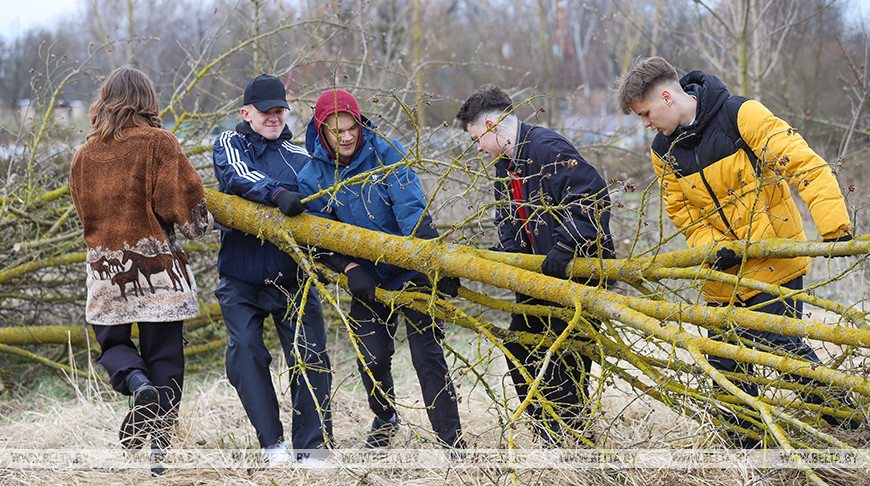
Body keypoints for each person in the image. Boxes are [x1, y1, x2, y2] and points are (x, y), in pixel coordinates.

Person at [614, 56, 859, 446]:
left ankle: (850, 422)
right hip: (721, 274)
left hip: (772, 260)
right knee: (724, 364)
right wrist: (716, 248)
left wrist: (835, 228)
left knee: (785, 356)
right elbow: (683, 213)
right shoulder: (664, 151)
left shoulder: (740, 115)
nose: (645, 125)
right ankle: (749, 451)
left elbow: (805, 165)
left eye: (645, 114)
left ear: (665, 96)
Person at [297, 88, 465, 451]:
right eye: (335, 131)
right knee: (372, 357)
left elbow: (411, 210)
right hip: (366, 277)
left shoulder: (386, 153)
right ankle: (385, 417)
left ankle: (453, 444)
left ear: (360, 123)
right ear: (321, 130)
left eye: (351, 129)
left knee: (428, 357)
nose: (345, 137)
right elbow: (319, 238)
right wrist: (349, 266)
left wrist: (434, 263)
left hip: (410, 269)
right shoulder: (311, 175)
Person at [69, 67, 213, 475]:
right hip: (159, 270)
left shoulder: (83, 155)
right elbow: (184, 209)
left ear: (105, 102)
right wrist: (200, 219)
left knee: (112, 345)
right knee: (166, 356)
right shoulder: (159, 143)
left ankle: (136, 383)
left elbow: (84, 215)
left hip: (105, 271)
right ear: (148, 101)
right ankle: (159, 457)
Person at [455, 85, 615, 445]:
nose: (477, 147)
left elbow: (591, 196)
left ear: (493, 125)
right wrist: (513, 261)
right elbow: (506, 219)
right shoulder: (505, 166)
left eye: (477, 137)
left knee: (566, 359)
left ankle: (575, 438)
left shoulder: (546, 148)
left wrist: (565, 244)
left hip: (574, 274)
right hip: (536, 277)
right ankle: (545, 427)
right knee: (518, 346)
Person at [212, 74, 332, 465]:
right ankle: (272, 444)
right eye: (266, 111)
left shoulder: (301, 157)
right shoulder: (229, 144)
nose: (274, 117)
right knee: (245, 353)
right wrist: (277, 195)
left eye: (280, 110)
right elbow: (237, 177)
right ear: (246, 112)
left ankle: (311, 448)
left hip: (292, 278)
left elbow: (321, 202)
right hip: (240, 278)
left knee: (310, 355)